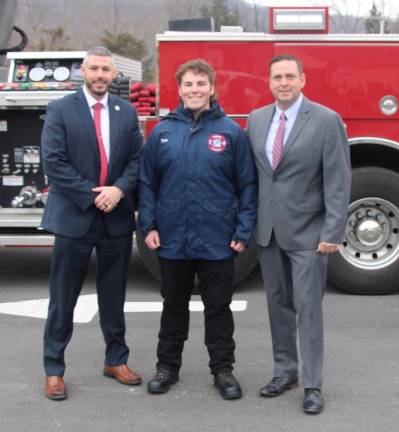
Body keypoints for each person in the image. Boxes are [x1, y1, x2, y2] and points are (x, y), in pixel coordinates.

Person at [139, 59, 257, 400]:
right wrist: (148, 224)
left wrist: (243, 229)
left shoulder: (231, 133)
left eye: (201, 84)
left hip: (217, 239)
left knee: (218, 309)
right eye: (189, 84)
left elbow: (248, 186)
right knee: (172, 306)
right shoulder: (161, 132)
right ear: (179, 89)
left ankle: (223, 371)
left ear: (212, 88)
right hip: (172, 238)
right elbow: (147, 184)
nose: (195, 90)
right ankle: (167, 368)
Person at [247, 54, 351, 414]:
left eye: (290, 76)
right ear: (269, 81)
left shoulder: (325, 120)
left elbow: (338, 179)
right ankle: (284, 372)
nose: (284, 83)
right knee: (277, 305)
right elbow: (257, 177)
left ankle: (313, 384)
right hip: (269, 231)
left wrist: (333, 230)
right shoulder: (257, 120)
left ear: (303, 80)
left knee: (308, 309)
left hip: (309, 232)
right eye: (277, 77)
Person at [41, 46, 143, 400]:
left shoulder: (126, 112)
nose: (101, 75)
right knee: (63, 297)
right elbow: (53, 162)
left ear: (114, 74)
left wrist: (118, 189)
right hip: (74, 217)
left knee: (114, 296)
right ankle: (54, 368)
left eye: (107, 70)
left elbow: (135, 161)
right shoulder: (60, 110)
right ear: (83, 71)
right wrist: (91, 194)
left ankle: (116, 359)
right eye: (95, 68)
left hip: (115, 218)